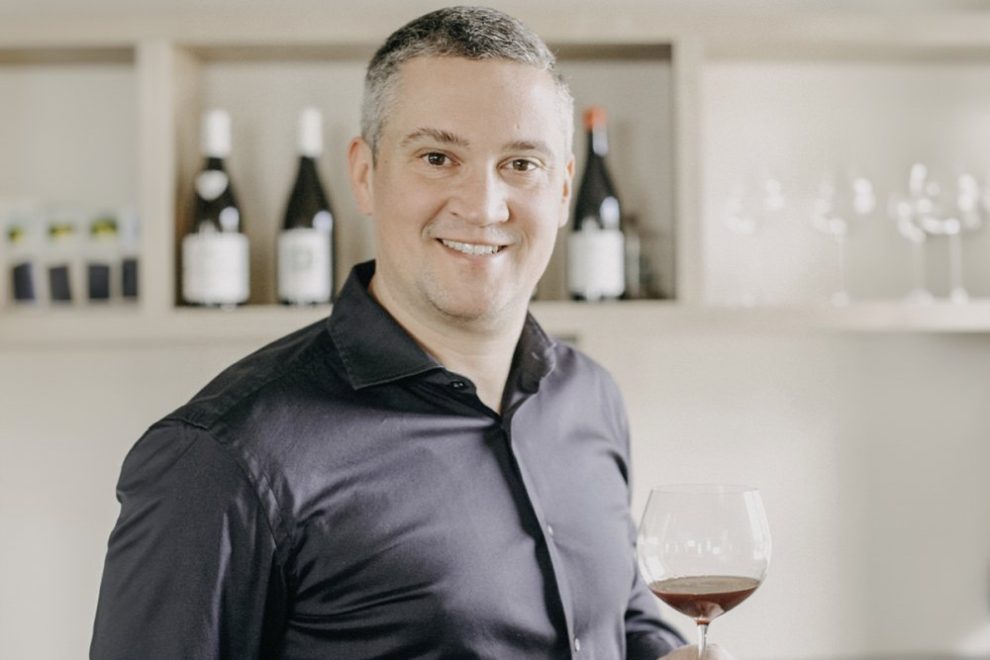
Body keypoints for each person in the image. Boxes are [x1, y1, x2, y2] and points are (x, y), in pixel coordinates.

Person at [91, 6, 736, 659]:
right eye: (437, 157)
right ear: (365, 174)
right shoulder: (221, 457)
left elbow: (616, 617)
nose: (483, 206)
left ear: (564, 189)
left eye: (521, 164)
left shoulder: (588, 396)